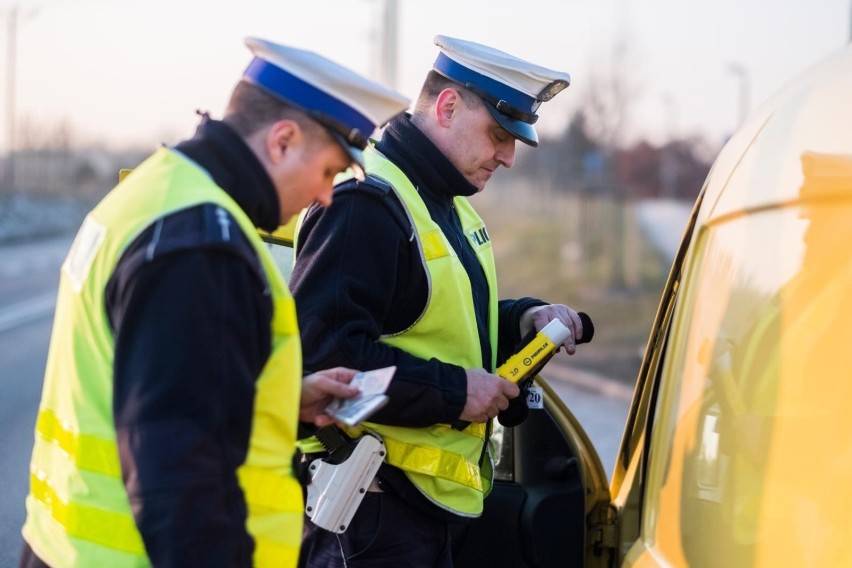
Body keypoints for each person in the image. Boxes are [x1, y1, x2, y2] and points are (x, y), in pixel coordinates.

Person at [19, 37, 409, 568]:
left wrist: (276, 401)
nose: (324, 197)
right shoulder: (203, 243)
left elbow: (148, 392)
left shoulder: (157, 192)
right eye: (328, 172)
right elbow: (179, 475)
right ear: (283, 140)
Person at [291, 35, 588, 567]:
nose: (509, 157)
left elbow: (436, 327)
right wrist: (455, 393)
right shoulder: (364, 201)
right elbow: (323, 362)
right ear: (447, 107)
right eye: (499, 134)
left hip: (417, 517)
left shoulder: (446, 203)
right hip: (368, 519)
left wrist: (523, 320)